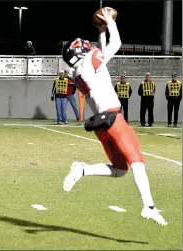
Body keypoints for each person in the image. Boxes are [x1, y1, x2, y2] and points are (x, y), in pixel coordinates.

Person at [61, 8, 167, 226]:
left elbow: (100, 55)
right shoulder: (90, 60)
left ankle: (83, 169)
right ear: (81, 52)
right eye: (85, 46)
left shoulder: (77, 72)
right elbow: (116, 44)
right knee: (137, 159)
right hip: (113, 118)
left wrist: (101, 32)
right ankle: (149, 206)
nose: (88, 46)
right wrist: (109, 22)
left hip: (101, 124)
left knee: (120, 169)